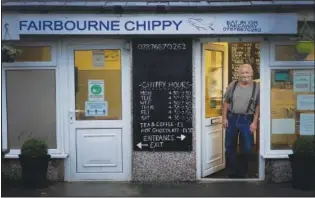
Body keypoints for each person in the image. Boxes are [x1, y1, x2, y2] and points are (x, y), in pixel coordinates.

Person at [223, 64, 260, 178]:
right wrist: (224, 117)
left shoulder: (257, 87)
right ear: (239, 74)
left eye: (247, 73)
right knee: (229, 146)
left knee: (247, 147)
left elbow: (259, 105)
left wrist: (255, 122)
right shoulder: (233, 85)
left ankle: (243, 170)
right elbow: (226, 102)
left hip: (247, 119)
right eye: (243, 73)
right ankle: (232, 171)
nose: (245, 75)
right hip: (232, 118)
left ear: (251, 74)